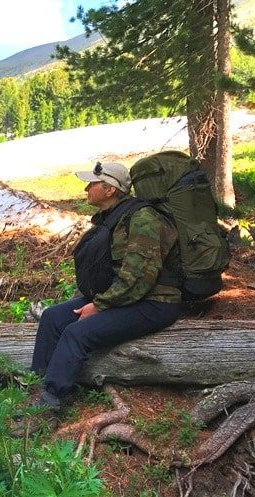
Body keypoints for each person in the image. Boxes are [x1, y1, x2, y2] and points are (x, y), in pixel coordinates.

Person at [14, 162, 182, 435]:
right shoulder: (114, 217)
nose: (86, 188)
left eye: (92, 183)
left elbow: (140, 278)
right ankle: (36, 391)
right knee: (52, 318)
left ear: (109, 189)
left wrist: (100, 305)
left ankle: (48, 407)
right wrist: (96, 300)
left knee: (76, 333)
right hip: (126, 297)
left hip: (156, 302)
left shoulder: (143, 219)